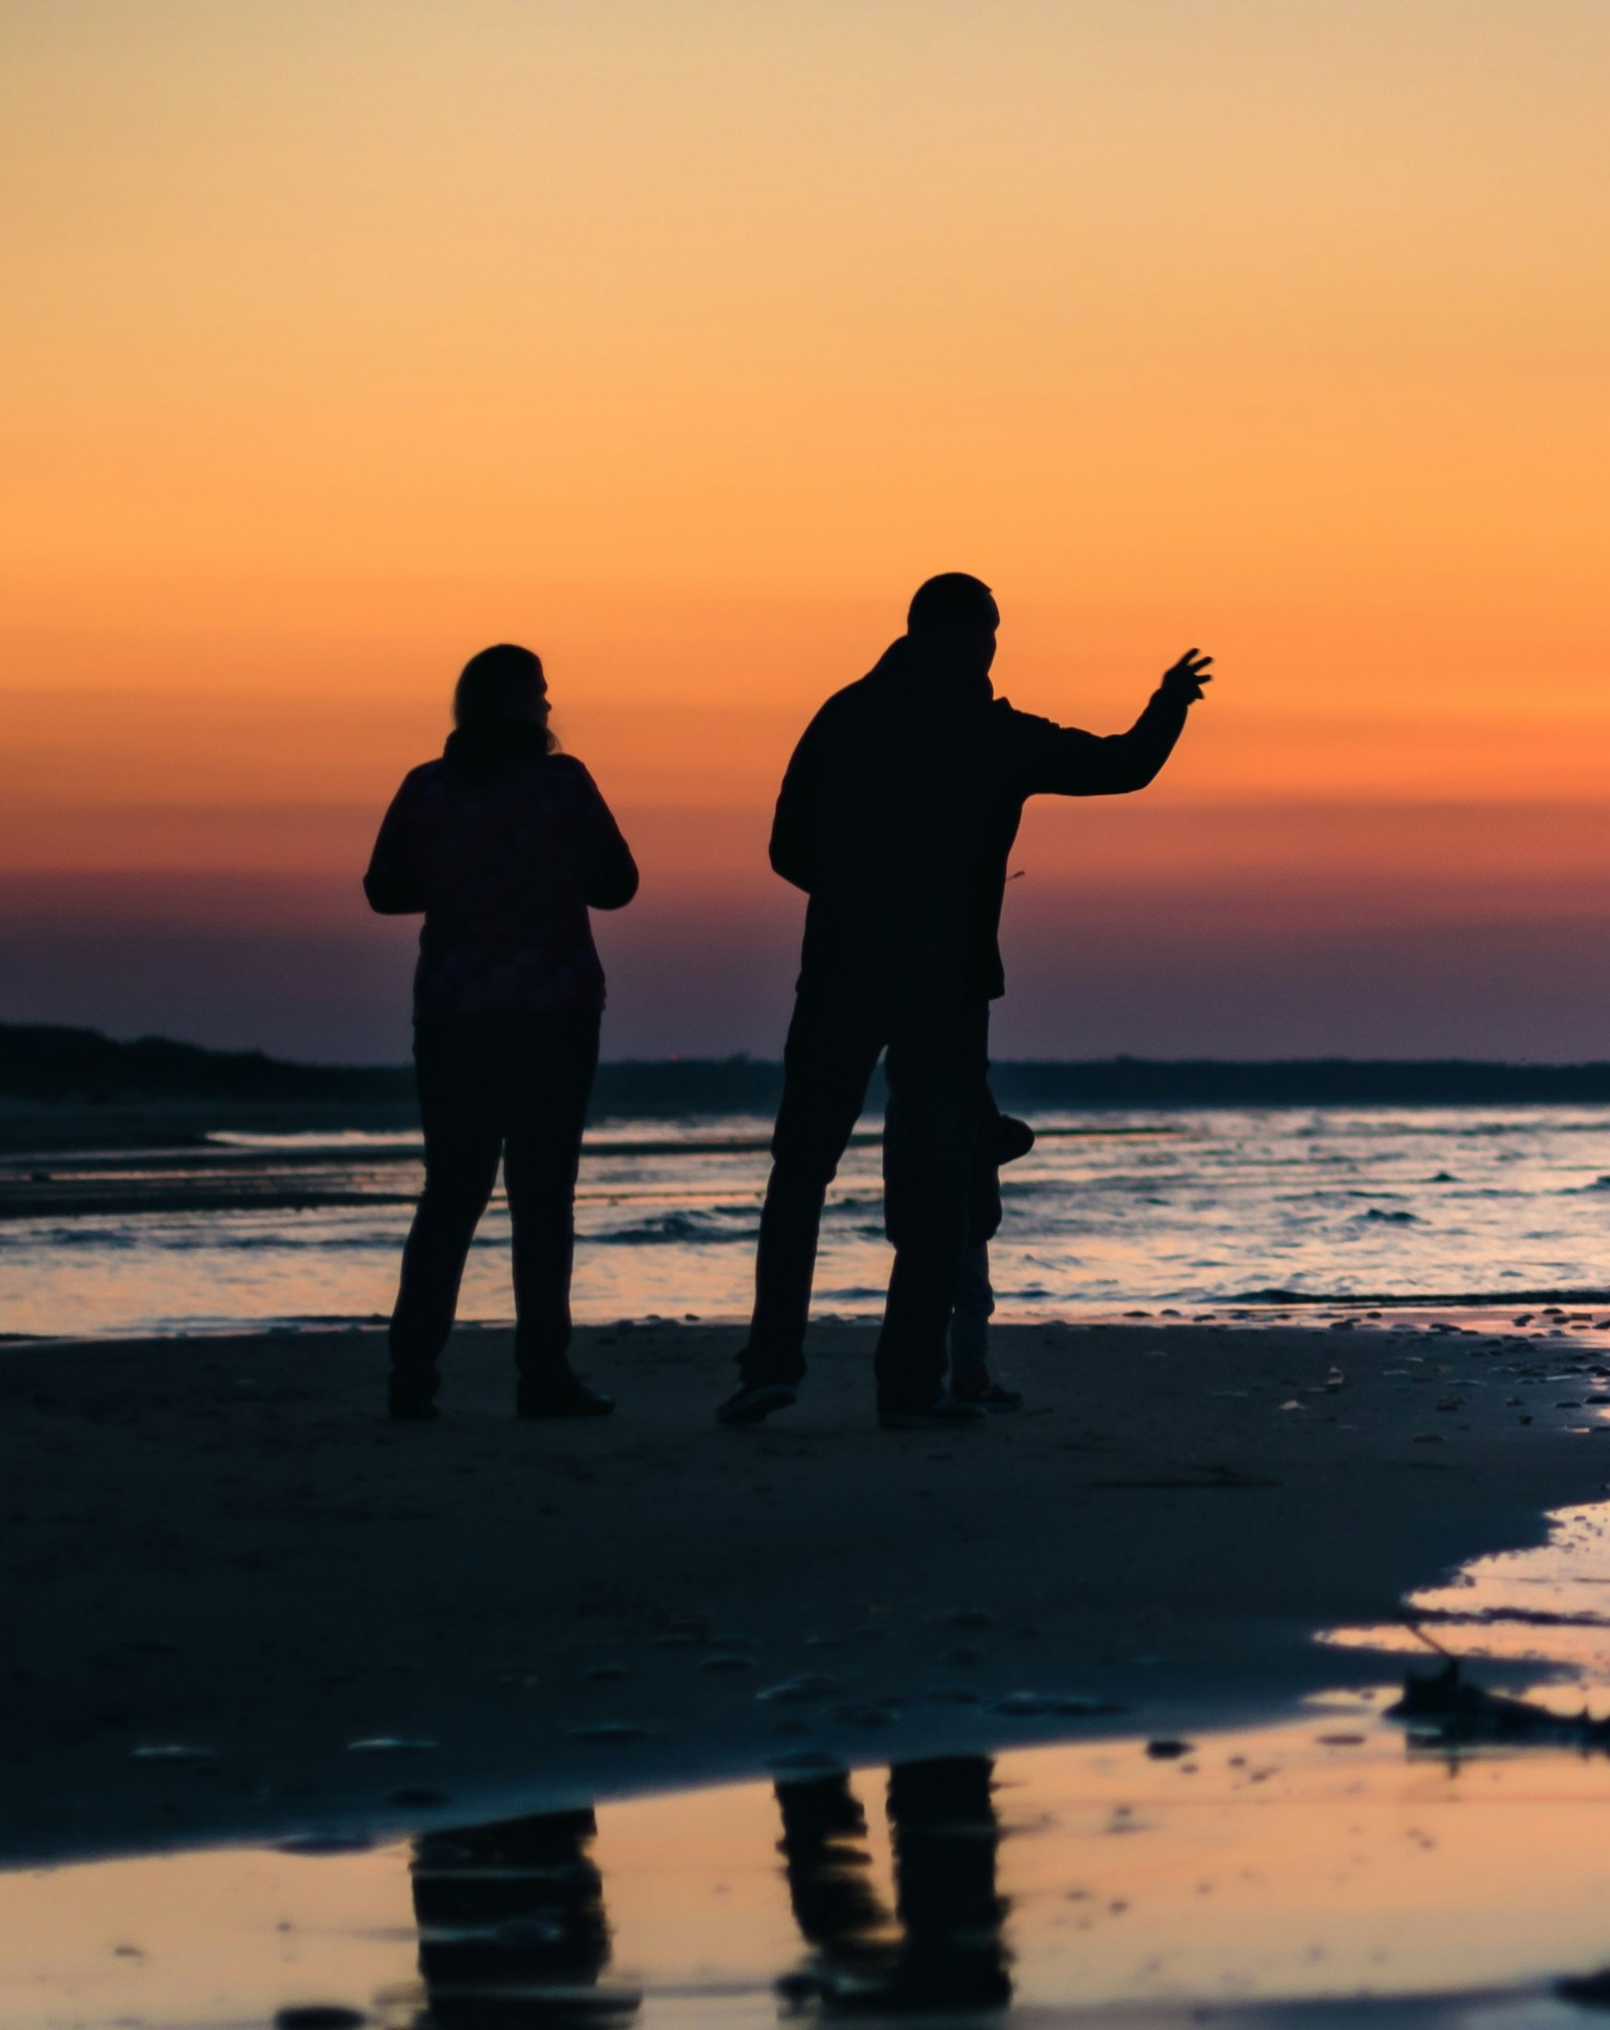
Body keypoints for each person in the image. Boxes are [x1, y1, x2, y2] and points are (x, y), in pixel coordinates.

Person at [722, 573, 1208, 1429]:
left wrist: (850, 898)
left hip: (841, 965)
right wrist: (1169, 703)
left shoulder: (847, 714)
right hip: (941, 982)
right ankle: (904, 1389)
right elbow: (1121, 765)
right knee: (932, 1184)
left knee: (802, 1171)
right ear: (976, 639)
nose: (988, 651)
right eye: (986, 637)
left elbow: (785, 846)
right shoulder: (990, 734)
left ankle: (773, 1367)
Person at [363, 643, 639, 1422]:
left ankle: (412, 1377)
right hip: (553, 1009)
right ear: (521, 704)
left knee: (452, 1193)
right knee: (542, 1196)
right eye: (542, 694)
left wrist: (459, 885)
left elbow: (383, 890)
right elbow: (618, 884)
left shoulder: (427, 789)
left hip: (455, 1011)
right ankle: (542, 1376)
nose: (552, 708)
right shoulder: (561, 784)